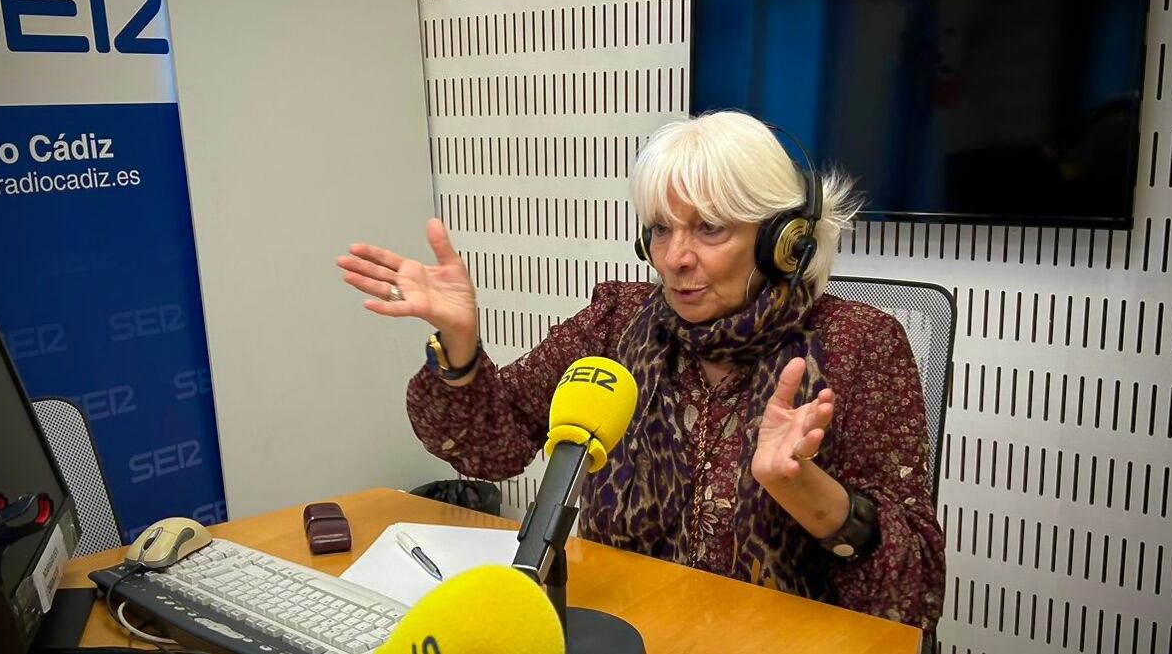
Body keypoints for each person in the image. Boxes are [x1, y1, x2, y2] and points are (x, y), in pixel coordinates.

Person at [337, 111, 945, 630]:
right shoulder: (617, 322)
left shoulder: (859, 346)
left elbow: (910, 591)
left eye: (710, 228)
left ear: (782, 240)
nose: (676, 258)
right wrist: (460, 344)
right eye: (660, 229)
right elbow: (496, 447)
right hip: (629, 627)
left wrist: (804, 492)